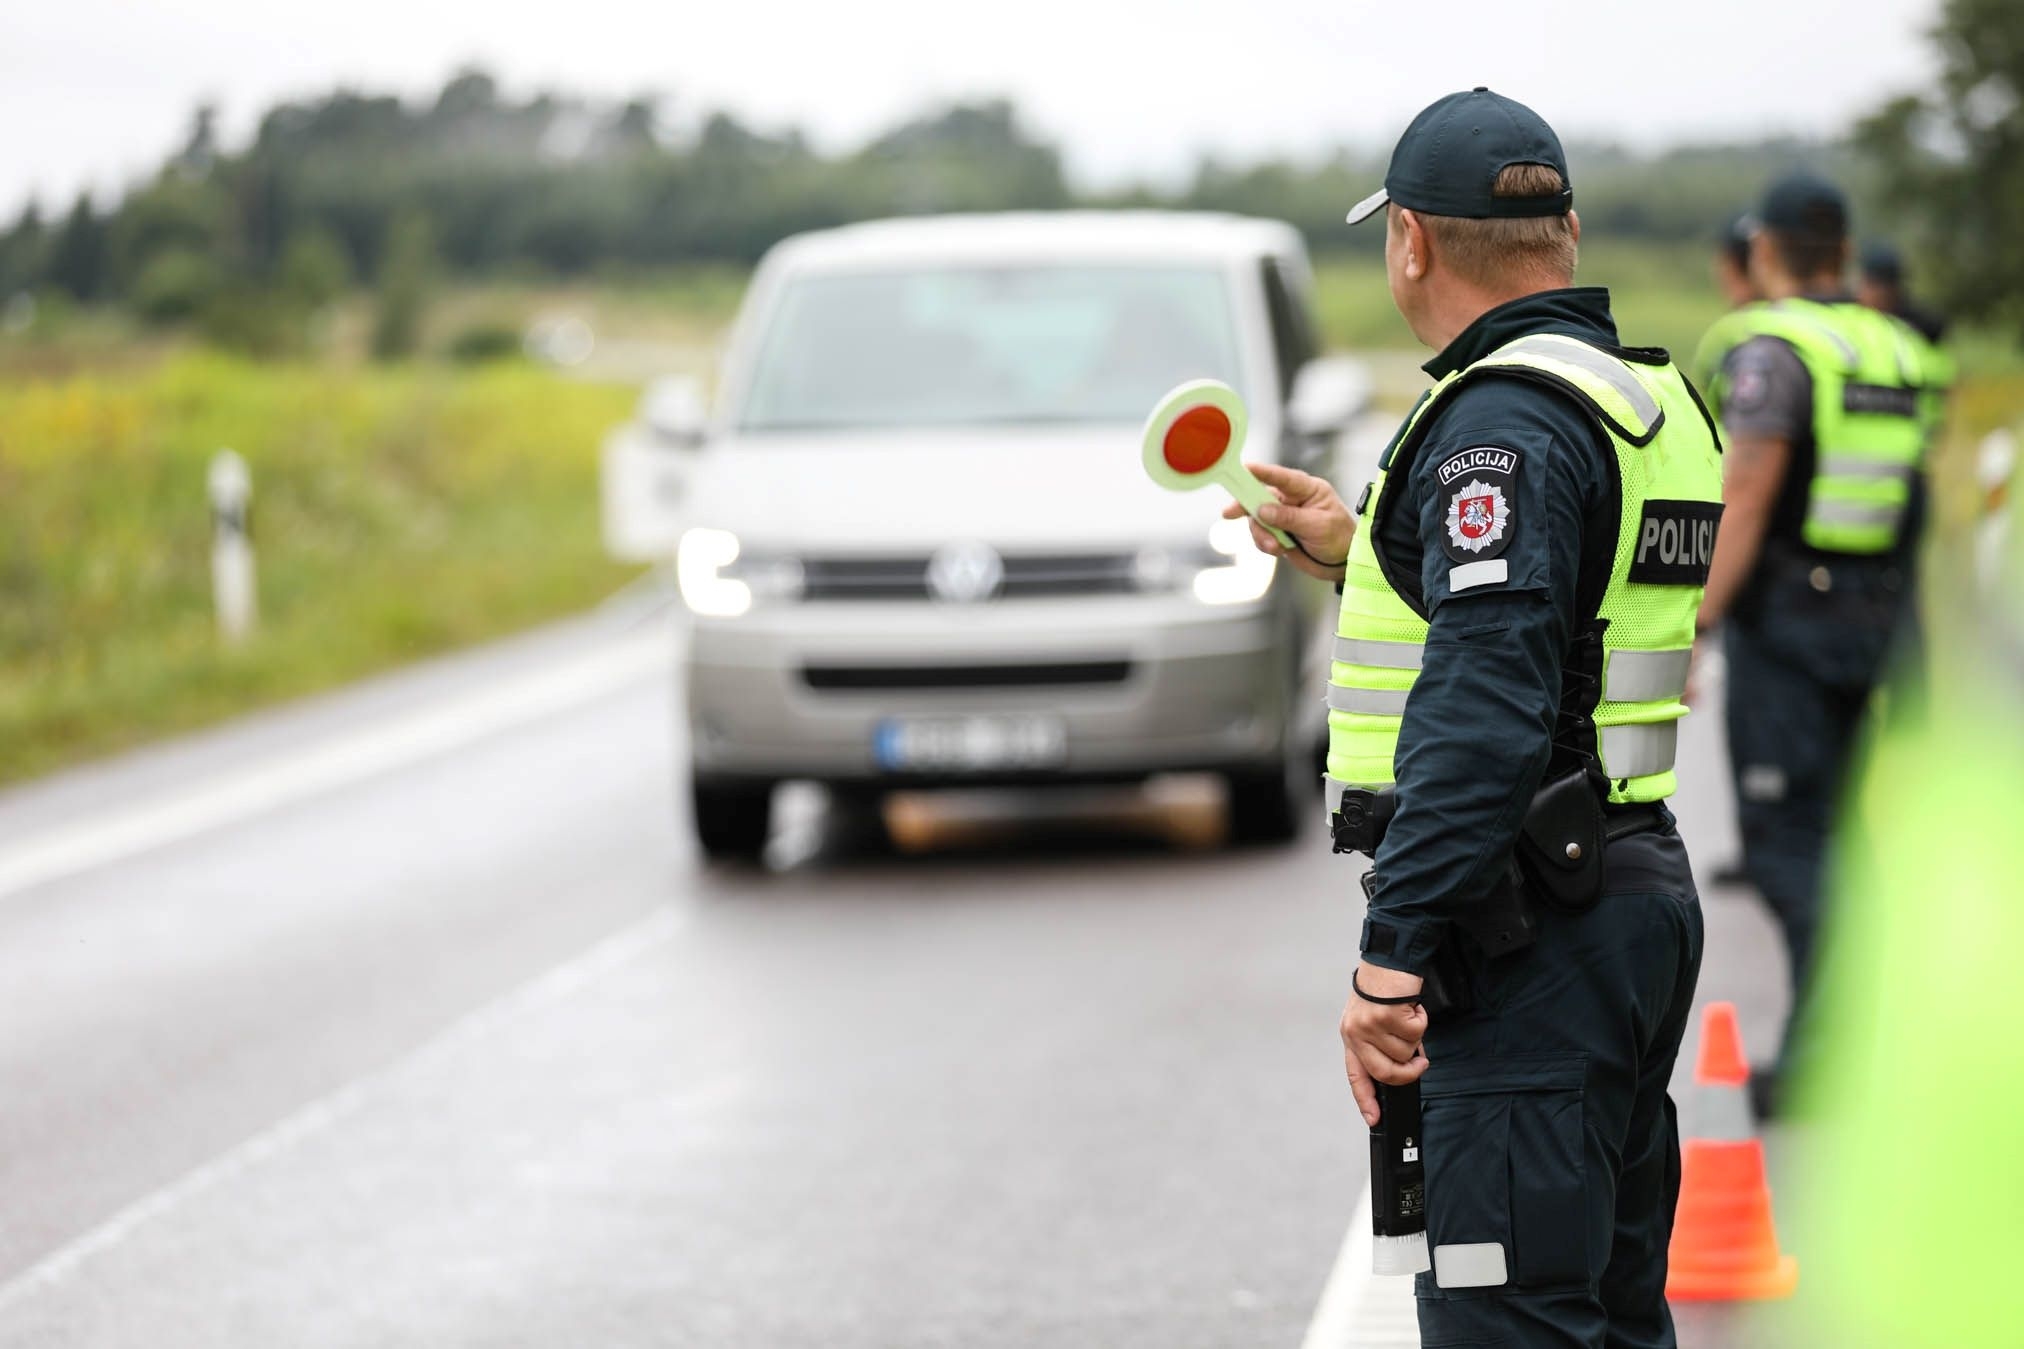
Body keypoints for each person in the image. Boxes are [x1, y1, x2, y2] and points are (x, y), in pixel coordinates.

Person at [1226, 88, 1721, 1346]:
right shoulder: (1639, 402)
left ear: (1409, 240)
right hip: (1625, 890)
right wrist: (1367, 555)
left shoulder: (1495, 424)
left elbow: (1488, 706)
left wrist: (1390, 958)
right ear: (1562, 233)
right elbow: (1567, 636)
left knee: (1510, 1317)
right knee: (1603, 1309)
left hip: (1527, 925)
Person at [1691, 173, 1936, 1117]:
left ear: (1763, 251)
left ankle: (1826, 1056)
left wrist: (1696, 626)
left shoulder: (1776, 351)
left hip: (1790, 628)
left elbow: (1745, 496)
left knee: (1788, 843)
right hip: (1874, 618)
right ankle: (1861, 1034)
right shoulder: (1895, 344)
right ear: (1840, 246)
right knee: (1840, 832)